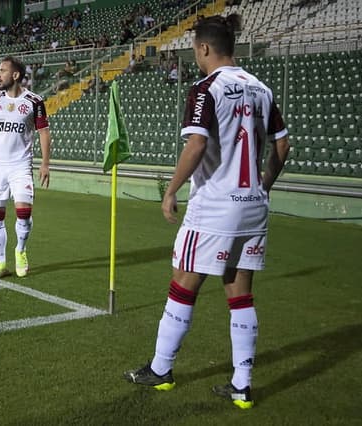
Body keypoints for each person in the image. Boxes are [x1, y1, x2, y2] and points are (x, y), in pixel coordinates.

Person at [123, 14, 290, 410]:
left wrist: (170, 191)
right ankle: (241, 385)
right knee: (240, 292)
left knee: (183, 283)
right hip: (253, 207)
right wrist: (263, 184)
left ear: (203, 48)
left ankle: (161, 369)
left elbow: (196, 145)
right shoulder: (262, 89)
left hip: (215, 207)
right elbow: (282, 147)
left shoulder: (205, 88)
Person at [0, 56, 51, 280]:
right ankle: (1, 262)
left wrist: (45, 163)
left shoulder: (34, 101)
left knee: (24, 212)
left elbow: (44, 132)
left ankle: (21, 251)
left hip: (20, 165)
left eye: (3, 70)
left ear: (15, 75)